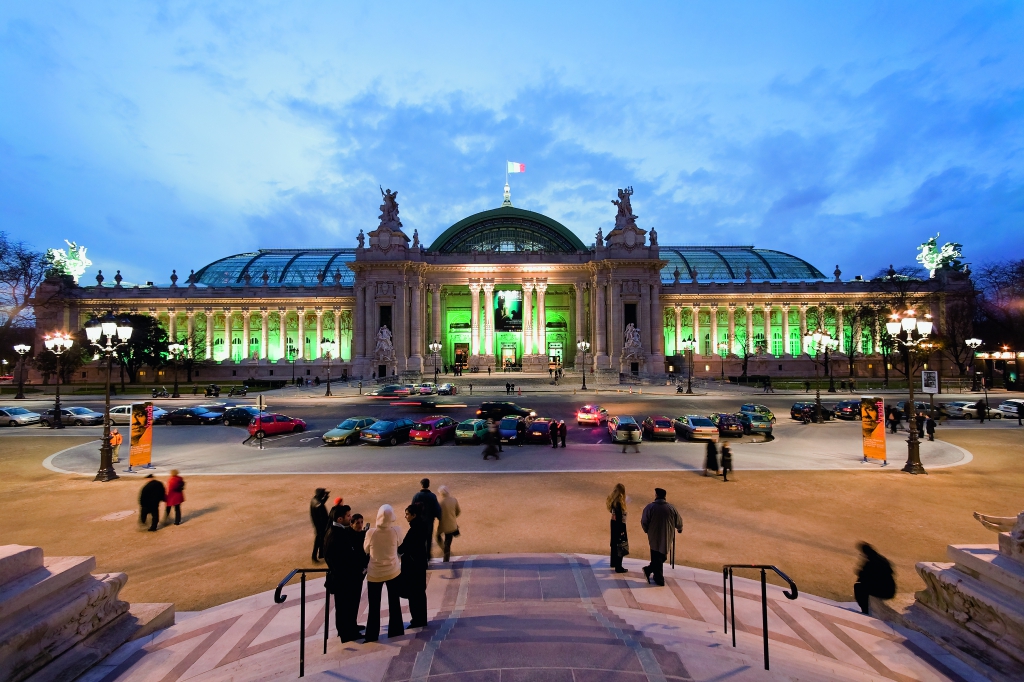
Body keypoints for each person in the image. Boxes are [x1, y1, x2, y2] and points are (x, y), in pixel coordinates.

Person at [363, 504, 404, 641]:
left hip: (375, 573)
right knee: (394, 603)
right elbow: (399, 544)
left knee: (374, 606)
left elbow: (366, 549)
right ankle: (396, 630)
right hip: (393, 571)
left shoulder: (371, 533)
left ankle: (372, 634)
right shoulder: (396, 530)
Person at [640, 488, 683, 586]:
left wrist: (647, 530)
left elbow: (644, 521)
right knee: (662, 556)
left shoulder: (650, 507)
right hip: (666, 535)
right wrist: (679, 528)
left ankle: (651, 571)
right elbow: (678, 521)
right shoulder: (671, 508)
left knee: (656, 555)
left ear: (656, 495)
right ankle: (658, 577)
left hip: (653, 536)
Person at [398, 504, 429, 628]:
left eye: (407, 514)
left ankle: (417, 619)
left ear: (414, 515)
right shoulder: (422, 525)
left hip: (413, 566)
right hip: (419, 564)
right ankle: (421, 618)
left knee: (414, 594)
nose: (405, 516)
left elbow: (404, 547)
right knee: (420, 593)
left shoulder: (414, 529)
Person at [853, 542, 895, 615]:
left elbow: (864, 576)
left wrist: (860, 573)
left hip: (884, 591)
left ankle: (865, 609)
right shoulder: (880, 559)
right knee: (863, 586)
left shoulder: (870, 562)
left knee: (858, 587)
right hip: (889, 590)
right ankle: (866, 608)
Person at [412, 478, 442, 557]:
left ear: (421, 485)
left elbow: (412, 509)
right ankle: (428, 555)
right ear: (428, 485)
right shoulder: (432, 496)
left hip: (419, 522)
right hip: (429, 522)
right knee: (428, 539)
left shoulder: (416, 496)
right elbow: (437, 509)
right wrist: (440, 518)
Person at [607, 483, 629, 573]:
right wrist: (622, 531)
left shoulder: (613, 502)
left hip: (613, 524)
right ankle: (618, 566)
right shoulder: (619, 504)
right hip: (619, 526)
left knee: (614, 544)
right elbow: (620, 519)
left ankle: (613, 562)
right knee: (621, 545)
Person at [437, 486, 461, 562]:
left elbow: (438, 515)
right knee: (448, 540)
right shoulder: (454, 500)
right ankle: (446, 553)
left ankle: (445, 552)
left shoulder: (440, 503)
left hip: (443, 525)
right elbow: (458, 511)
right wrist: (453, 517)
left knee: (437, 536)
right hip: (452, 525)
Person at [310, 487, 331, 563]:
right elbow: (323, 516)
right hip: (321, 526)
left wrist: (326, 496)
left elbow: (321, 501)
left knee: (320, 540)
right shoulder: (319, 505)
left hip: (317, 524)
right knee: (319, 540)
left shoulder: (314, 500)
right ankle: (314, 556)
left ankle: (321, 554)